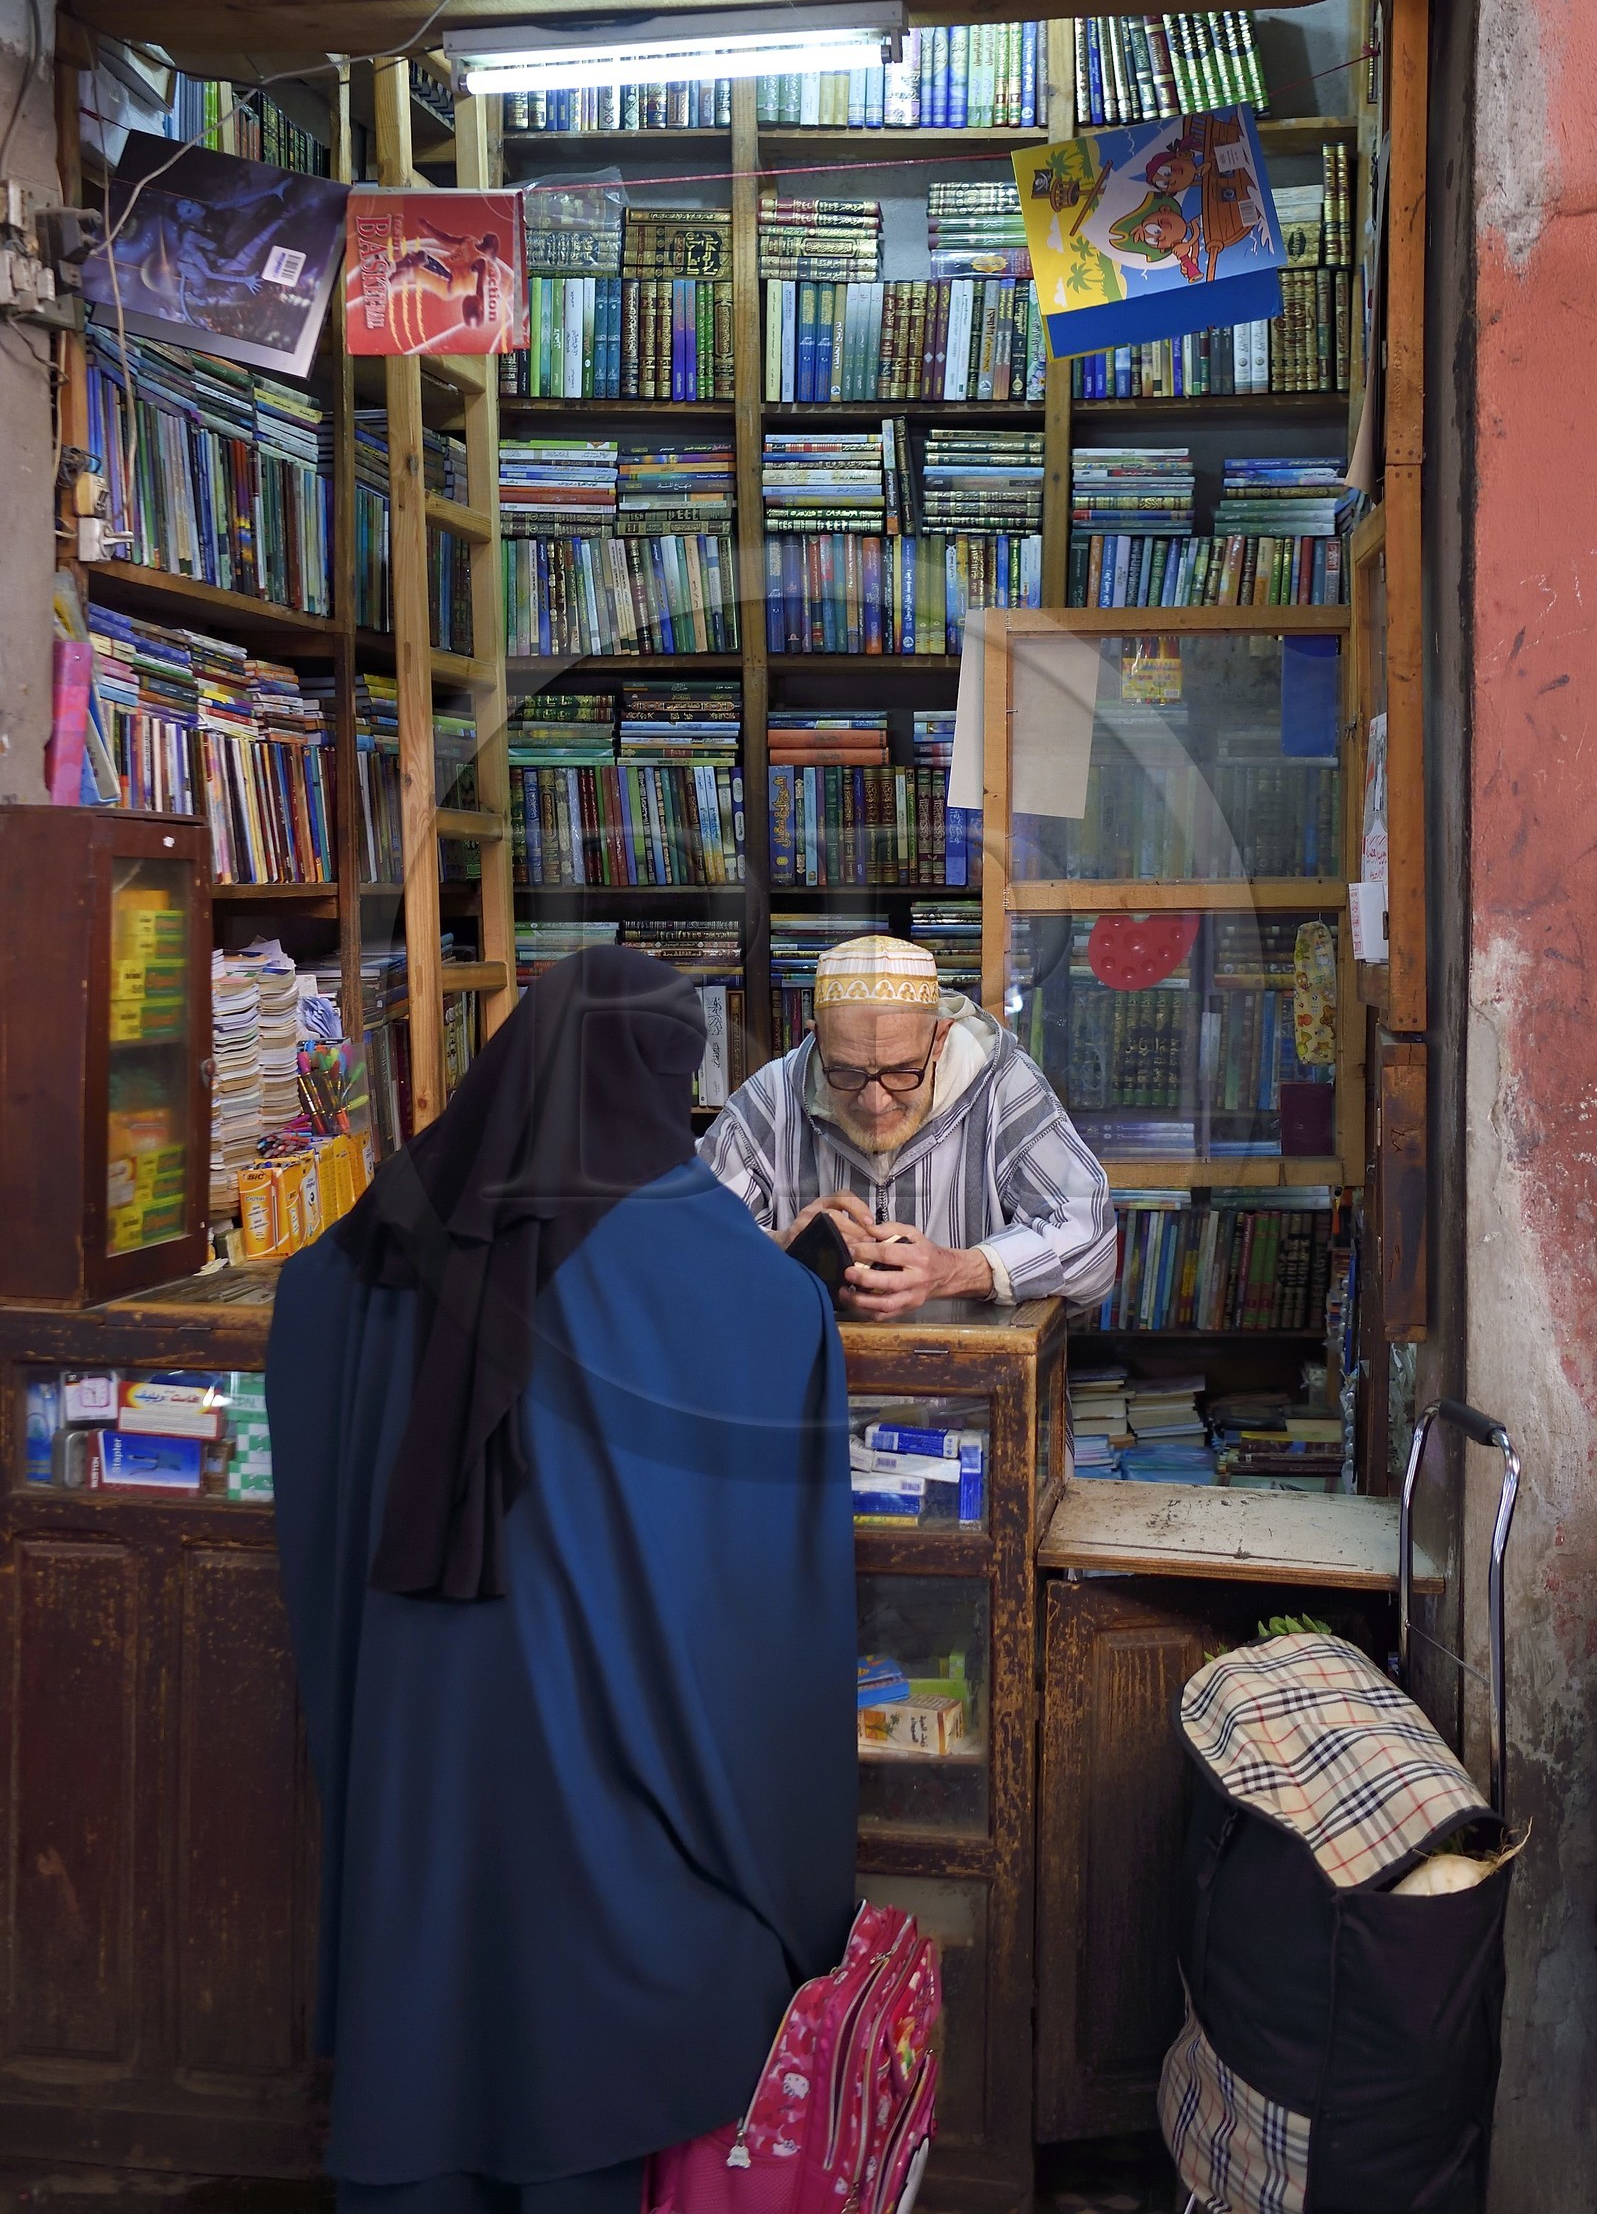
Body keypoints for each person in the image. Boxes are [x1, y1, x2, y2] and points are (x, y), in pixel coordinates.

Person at [265, 946, 858, 2214]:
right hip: (603, 1755)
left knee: (437, 1975)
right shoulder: (689, 1247)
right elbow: (766, 1350)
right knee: (605, 1997)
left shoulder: (408, 1218)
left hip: (429, 1725)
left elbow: (315, 1302)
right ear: (662, 1073)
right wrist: (803, 1273)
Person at [701, 934, 1116, 1322]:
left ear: (939, 1039)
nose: (875, 1102)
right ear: (818, 1039)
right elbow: (675, 1238)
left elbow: (1092, 1243)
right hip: (816, 1388)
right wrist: (780, 1247)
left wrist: (955, 1271)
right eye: (846, 1073)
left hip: (971, 1387)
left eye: (902, 1072)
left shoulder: (1001, 1085)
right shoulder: (775, 1094)